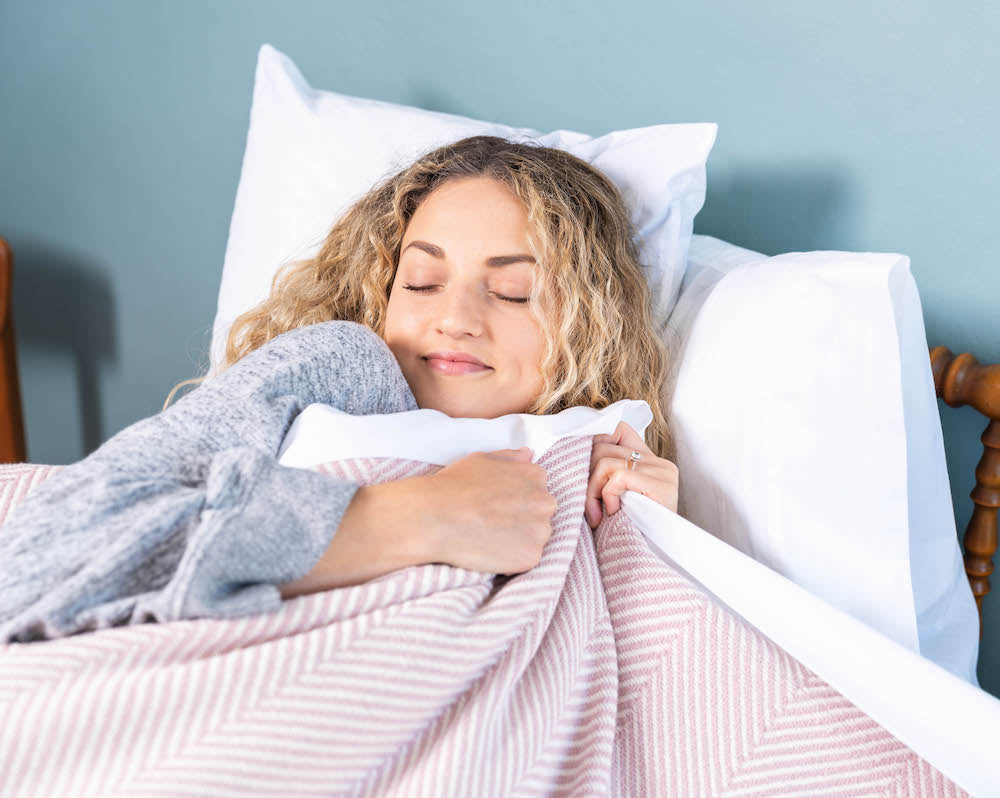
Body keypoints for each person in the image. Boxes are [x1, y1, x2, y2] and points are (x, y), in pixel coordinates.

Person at [0, 135, 679, 643]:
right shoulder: (351, 370)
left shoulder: (595, 456)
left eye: (511, 292)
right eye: (420, 282)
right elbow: (33, 561)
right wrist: (410, 518)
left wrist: (650, 540)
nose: (454, 319)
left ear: (590, 325)